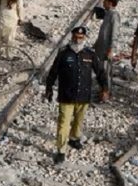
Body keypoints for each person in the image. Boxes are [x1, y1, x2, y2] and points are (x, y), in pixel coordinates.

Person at [45, 27, 109, 163]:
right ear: (72, 37)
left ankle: (74, 139)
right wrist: (49, 88)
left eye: (80, 37)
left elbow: (100, 72)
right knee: (63, 123)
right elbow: (53, 72)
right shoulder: (63, 53)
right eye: (75, 37)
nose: (77, 40)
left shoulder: (89, 54)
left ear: (84, 38)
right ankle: (61, 150)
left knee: (79, 121)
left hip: (83, 95)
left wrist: (105, 88)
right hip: (66, 95)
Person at [92, 0, 120, 95]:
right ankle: (102, 90)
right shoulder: (108, 14)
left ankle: (106, 92)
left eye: (105, 1)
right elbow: (103, 32)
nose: (103, 3)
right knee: (101, 70)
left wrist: (111, 49)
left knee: (106, 71)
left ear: (110, 3)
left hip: (106, 49)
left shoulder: (114, 15)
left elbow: (114, 33)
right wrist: (96, 44)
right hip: (101, 48)